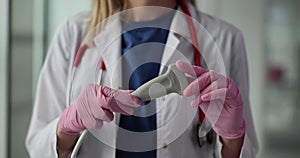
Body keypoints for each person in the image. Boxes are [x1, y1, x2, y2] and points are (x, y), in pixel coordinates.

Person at [25, 0, 258, 157]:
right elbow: (37, 147)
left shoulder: (224, 38)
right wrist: (67, 126)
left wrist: (232, 137)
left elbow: (245, 152)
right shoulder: (73, 33)